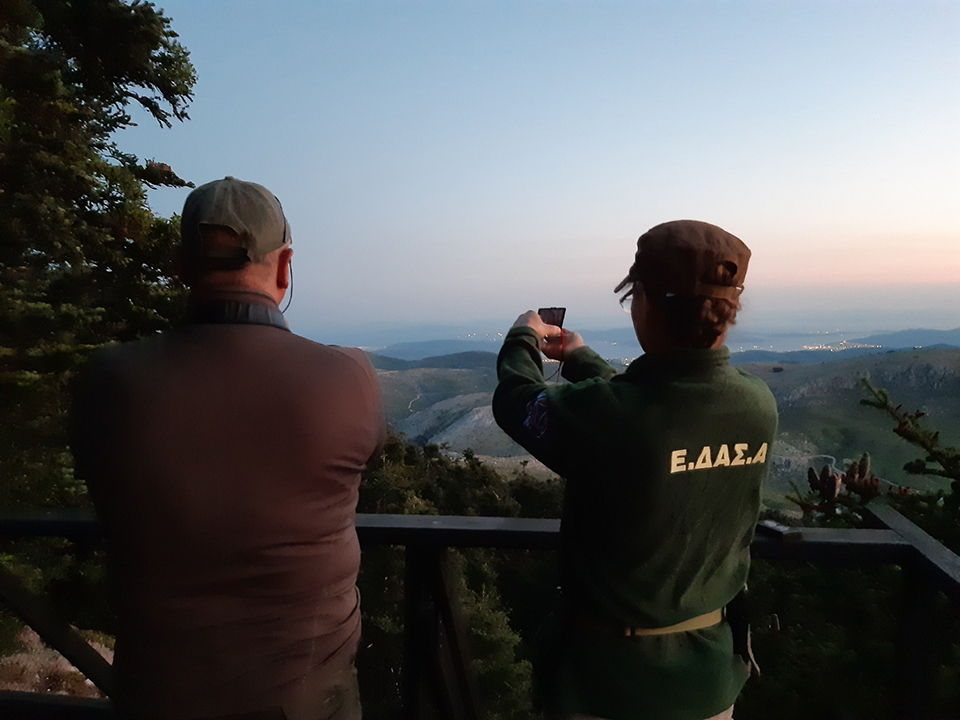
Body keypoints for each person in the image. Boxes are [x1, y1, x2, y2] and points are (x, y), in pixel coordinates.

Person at [71, 177, 386, 720]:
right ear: (285, 267)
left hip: (156, 697)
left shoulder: (107, 381)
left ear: (181, 266)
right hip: (310, 702)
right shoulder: (348, 376)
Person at [492, 220, 778, 720]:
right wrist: (581, 358)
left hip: (608, 685)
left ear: (644, 301)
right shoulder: (757, 405)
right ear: (729, 312)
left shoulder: (615, 420)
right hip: (710, 683)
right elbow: (648, 406)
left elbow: (518, 402)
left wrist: (523, 336)